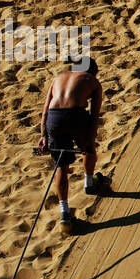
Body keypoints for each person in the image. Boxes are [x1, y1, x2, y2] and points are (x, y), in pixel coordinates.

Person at [37, 59, 105, 225]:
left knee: (61, 165)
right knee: (88, 149)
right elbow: (94, 115)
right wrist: (89, 140)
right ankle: (89, 184)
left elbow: (45, 110)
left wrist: (44, 135)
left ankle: (64, 212)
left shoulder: (58, 78)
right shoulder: (93, 81)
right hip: (76, 116)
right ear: (93, 71)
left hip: (54, 119)